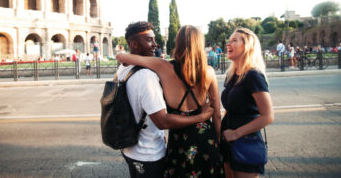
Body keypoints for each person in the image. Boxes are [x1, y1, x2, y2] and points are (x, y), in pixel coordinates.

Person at [117, 25, 224, 177]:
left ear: (178, 43)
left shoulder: (163, 66)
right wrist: (217, 140)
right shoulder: (209, 72)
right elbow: (217, 114)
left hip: (179, 141)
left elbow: (122, 57)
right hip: (205, 139)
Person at [221, 27, 274, 177]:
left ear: (247, 46)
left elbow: (268, 116)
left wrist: (236, 134)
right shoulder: (232, 75)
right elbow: (230, 108)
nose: (228, 44)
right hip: (227, 141)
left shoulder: (254, 75)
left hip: (245, 143)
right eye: (229, 40)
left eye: (234, 40)